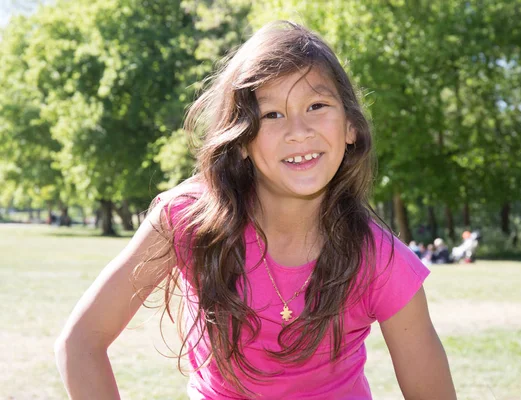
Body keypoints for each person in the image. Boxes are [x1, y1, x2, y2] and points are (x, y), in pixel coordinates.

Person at [54, 21, 456, 399]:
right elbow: (81, 343)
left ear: (351, 127)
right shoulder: (188, 219)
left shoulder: (381, 260)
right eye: (272, 114)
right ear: (242, 139)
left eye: (316, 105)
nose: (298, 131)